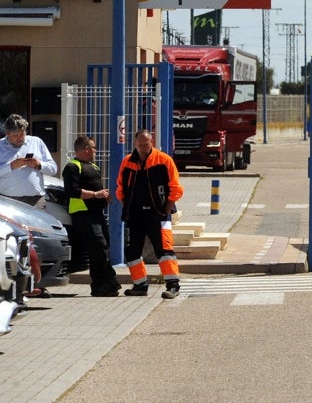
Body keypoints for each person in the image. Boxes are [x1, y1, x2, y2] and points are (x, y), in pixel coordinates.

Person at [116, 130, 184, 299]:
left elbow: (176, 189)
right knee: (132, 252)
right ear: (135, 144)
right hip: (135, 216)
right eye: (140, 145)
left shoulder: (164, 160)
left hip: (158, 215)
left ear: (151, 142)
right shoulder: (127, 163)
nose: (144, 148)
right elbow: (120, 189)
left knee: (165, 250)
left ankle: (173, 285)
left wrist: (165, 211)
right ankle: (139, 285)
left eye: (146, 144)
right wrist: (127, 208)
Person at [62, 135, 121, 297]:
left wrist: (104, 197)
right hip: (82, 214)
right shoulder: (72, 167)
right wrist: (96, 194)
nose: (95, 150)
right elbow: (72, 191)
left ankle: (101, 287)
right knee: (99, 247)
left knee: (103, 248)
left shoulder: (94, 166)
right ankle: (109, 280)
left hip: (97, 213)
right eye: (93, 147)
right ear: (85, 149)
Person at [0, 114, 57, 208]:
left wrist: (39, 165)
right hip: (8, 201)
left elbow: (53, 169)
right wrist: (11, 166)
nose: (20, 138)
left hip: (36, 201)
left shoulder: (36, 142)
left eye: (22, 134)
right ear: (7, 133)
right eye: (15, 135)